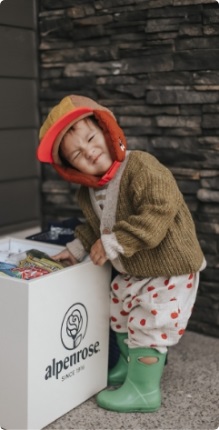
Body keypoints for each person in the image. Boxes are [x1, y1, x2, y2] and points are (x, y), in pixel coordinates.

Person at [37, 94, 206, 413]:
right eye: (77, 153)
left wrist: (115, 241)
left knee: (149, 323)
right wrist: (75, 249)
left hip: (169, 267)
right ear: (70, 167)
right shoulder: (88, 192)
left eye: (90, 138)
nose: (88, 150)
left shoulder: (141, 166)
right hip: (135, 268)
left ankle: (144, 391)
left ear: (107, 130)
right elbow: (94, 227)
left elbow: (159, 210)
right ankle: (128, 369)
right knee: (121, 315)